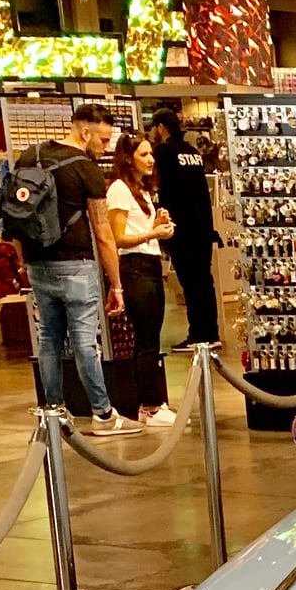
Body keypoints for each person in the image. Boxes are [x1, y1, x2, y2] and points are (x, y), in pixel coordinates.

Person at [14, 99, 134, 435]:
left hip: (39, 263)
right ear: (85, 132)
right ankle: (103, 414)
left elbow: (14, 214)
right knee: (84, 341)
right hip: (76, 264)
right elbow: (103, 232)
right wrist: (116, 284)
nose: (106, 147)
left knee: (49, 338)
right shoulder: (85, 168)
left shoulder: (30, 157)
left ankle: (54, 410)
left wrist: (24, 261)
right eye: (104, 139)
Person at [106, 130, 177, 427]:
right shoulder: (120, 189)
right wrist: (152, 233)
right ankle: (149, 405)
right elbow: (117, 237)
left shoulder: (142, 190)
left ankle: (152, 402)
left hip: (149, 265)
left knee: (152, 337)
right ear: (128, 158)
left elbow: (139, 232)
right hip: (133, 268)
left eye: (151, 154)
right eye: (144, 154)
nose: (151, 160)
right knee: (146, 339)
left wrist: (157, 225)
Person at [148, 102, 221, 347]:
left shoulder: (164, 153)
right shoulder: (192, 152)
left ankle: (198, 334)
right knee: (205, 280)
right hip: (202, 228)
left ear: (160, 127)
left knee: (191, 283)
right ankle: (212, 332)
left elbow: (163, 192)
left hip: (182, 230)